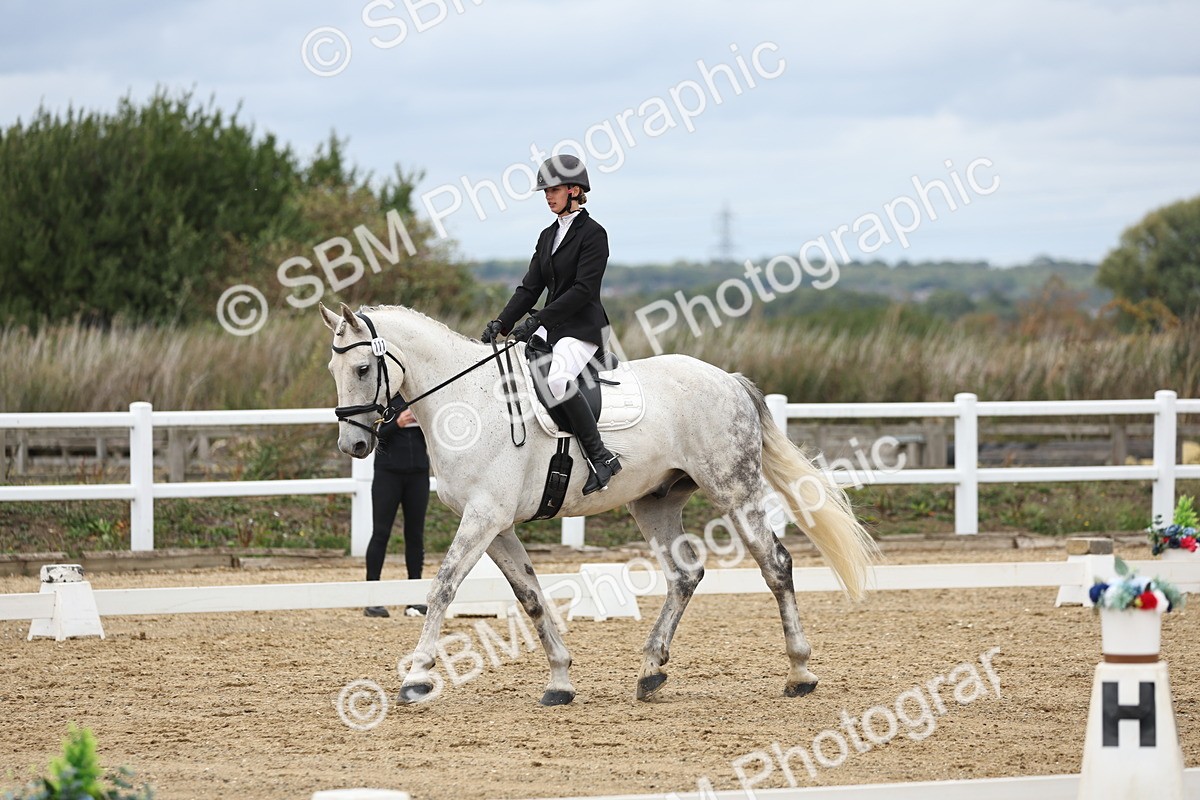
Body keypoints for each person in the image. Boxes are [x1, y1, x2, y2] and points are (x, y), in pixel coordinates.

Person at [481, 154, 621, 495]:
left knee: (558, 379)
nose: (548, 196)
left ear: (574, 190)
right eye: (545, 191)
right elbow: (530, 288)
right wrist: (502, 322)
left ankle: (601, 457)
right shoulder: (548, 236)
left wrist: (539, 319)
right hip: (551, 328)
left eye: (554, 190)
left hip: (582, 328)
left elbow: (583, 290)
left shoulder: (594, 234)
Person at [363, 396, 429, 617]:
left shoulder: (419, 396)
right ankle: (372, 600)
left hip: (418, 473)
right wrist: (397, 423)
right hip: (388, 474)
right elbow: (373, 436)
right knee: (381, 534)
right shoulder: (382, 400)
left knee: (415, 536)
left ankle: (414, 599)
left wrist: (424, 421)